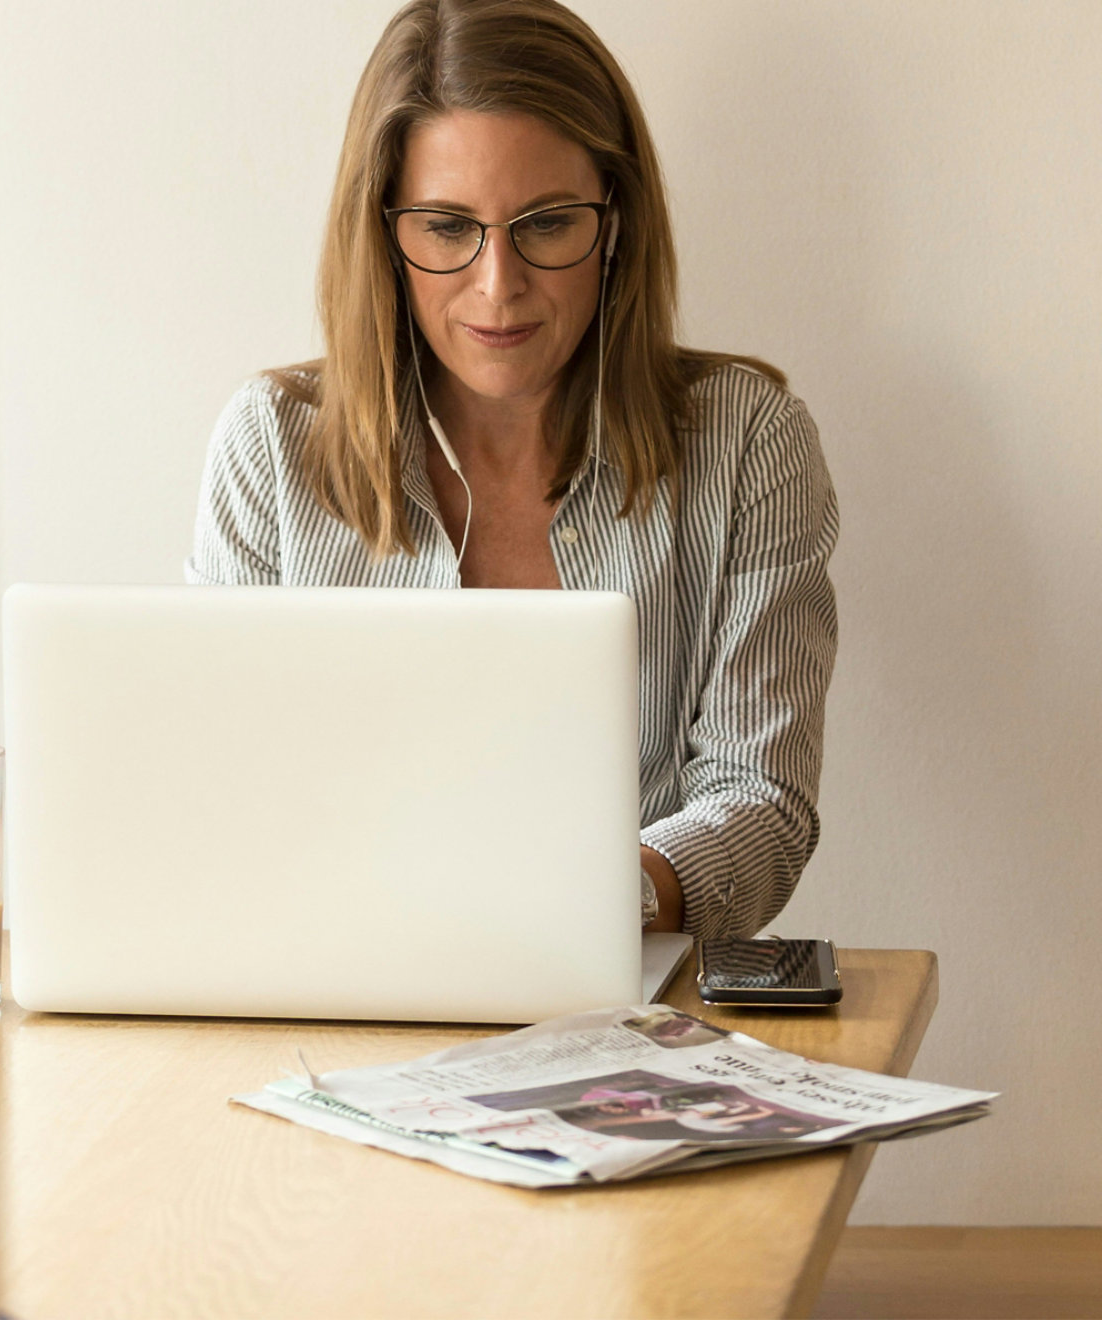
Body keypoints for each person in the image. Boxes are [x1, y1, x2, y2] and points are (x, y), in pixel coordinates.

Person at [186, 0, 838, 939]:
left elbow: (763, 802)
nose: (499, 285)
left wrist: (595, 902)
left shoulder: (745, 440)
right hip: (329, 987)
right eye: (449, 228)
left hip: (627, 1003)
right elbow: (214, 793)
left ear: (615, 222)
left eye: (546, 223)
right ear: (382, 232)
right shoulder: (270, 446)